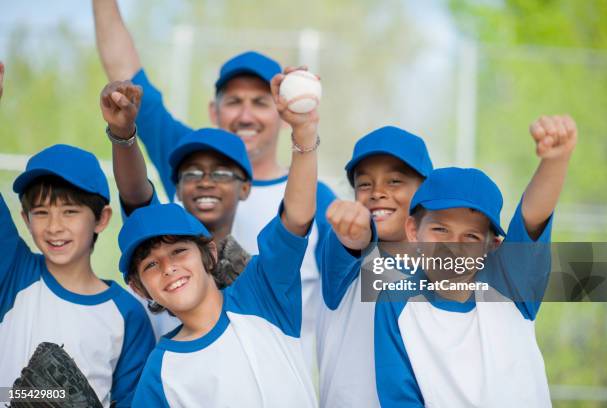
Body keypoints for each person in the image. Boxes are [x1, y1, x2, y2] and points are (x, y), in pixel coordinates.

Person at [92, 0, 335, 368]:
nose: (247, 114)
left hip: (271, 377)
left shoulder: (312, 196)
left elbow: (363, 280)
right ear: (213, 111)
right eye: (234, 101)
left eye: (260, 101)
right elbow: (126, 83)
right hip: (180, 374)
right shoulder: (188, 160)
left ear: (283, 111)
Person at [122, 66, 321, 407]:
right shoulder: (160, 371)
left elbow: (297, 217)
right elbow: (136, 195)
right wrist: (122, 134)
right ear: (140, 287)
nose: (168, 268)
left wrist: (303, 130)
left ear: (209, 255)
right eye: (152, 264)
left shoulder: (261, 292)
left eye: (179, 252)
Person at [373, 116, 577, 407]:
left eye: (470, 237)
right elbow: (398, 394)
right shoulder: (394, 301)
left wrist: (555, 160)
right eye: (440, 229)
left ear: (491, 247)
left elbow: (533, 213)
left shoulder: (509, 285)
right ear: (412, 231)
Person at [0, 64, 154, 406]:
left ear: (101, 219)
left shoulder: (126, 314)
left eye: (70, 212)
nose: (54, 226)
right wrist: (39, 395)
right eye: (41, 213)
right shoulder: (14, 272)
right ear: (24, 219)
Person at [100, 80, 254, 338]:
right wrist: (123, 135)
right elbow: (135, 193)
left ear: (245, 187)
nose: (206, 181)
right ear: (178, 187)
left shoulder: (255, 268)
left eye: (221, 173)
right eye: (192, 173)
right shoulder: (154, 236)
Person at [316, 126, 433, 407]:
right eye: (365, 184)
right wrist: (352, 232)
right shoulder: (352, 264)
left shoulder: (446, 271)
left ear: (425, 191)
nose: (377, 193)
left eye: (394, 181)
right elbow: (349, 239)